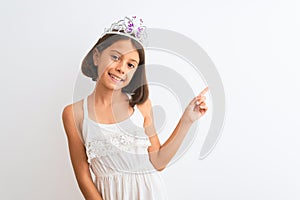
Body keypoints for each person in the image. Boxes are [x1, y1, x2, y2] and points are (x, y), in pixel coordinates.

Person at [62, 16, 209, 200]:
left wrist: (187, 119)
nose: (121, 68)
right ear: (97, 56)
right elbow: (83, 175)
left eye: (130, 65)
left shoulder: (141, 106)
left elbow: (158, 161)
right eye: (115, 57)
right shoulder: (74, 114)